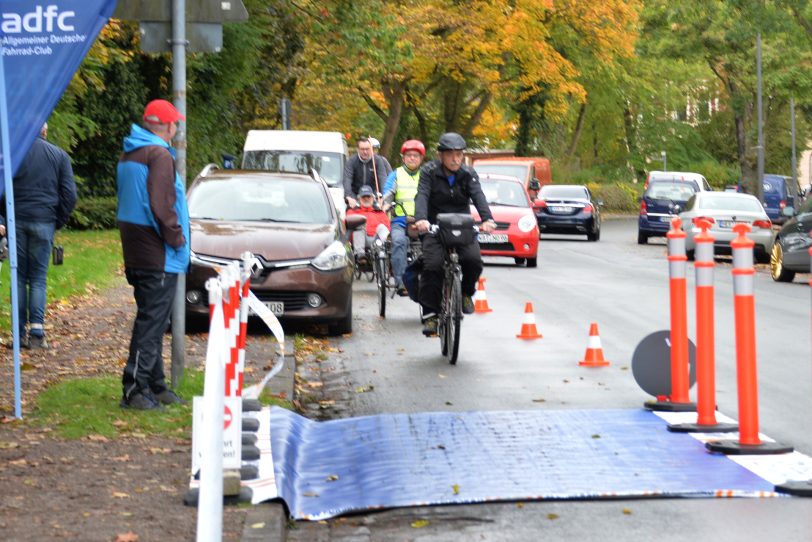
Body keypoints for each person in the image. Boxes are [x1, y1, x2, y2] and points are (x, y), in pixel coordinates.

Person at [116, 99, 190, 410]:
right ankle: (134, 389)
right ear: (170, 126)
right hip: (158, 253)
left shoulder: (131, 152)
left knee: (154, 320)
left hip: (137, 248)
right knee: (151, 322)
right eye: (176, 124)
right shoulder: (159, 155)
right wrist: (177, 238)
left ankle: (156, 386)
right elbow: (162, 206)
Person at [0, 122, 77, 349]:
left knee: (19, 277)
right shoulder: (59, 155)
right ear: (45, 130)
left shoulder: (12, 156)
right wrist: (57, 221)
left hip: (17, 220)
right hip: (44, 220)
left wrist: (5, 218)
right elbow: (70, 195)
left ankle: (19, 334)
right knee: (38, 279)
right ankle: (37, 332)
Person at [414, 132, 496, 336]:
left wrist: (487, 219)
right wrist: (421, 219)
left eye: (459, 154)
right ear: (440, 155)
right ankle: (431, 315)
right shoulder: (429, 172)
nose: (455, 159)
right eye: (450, 154)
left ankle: (467, 293)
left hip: (462, 227)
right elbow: (422, 195)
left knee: (473, 260)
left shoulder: (468, 174)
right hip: (434, 227)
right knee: (432, 266)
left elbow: (478, 196)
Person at [382, 139, 425, 296]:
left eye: (415, 155)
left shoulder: (426, 175)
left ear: (421, 158)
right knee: (399, 242)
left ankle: (426, 281)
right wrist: (386, 203)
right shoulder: (396, 175)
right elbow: (388, 193)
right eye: (409, 155)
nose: (412, 158)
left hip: (422, 221)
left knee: (431, 246)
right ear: (403, 158)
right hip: (400, 221)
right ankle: (402, 283)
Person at [346, 184, 390, 265]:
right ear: (359, 199)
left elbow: (387, 227)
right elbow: (347, 227)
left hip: (377, 240)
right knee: (358, 224)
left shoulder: (379, 212)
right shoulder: (352, 212)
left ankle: (388, 252)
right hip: (360, 240)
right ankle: (360, 255)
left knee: (383, 227)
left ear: (373, 198)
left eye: (368, 197)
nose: (366, 199)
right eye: (364, 197)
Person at [343, 136, 392, 208]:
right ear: (358, 149)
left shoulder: (378, 161)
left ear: (371, 149)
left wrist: (383, 198)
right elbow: (347, 180)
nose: (365, 152)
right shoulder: (351, 161)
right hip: (356, 198)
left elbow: (383, 179)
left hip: (374, 197)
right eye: (362, 149)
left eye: (367, 149)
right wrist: (349, 196)